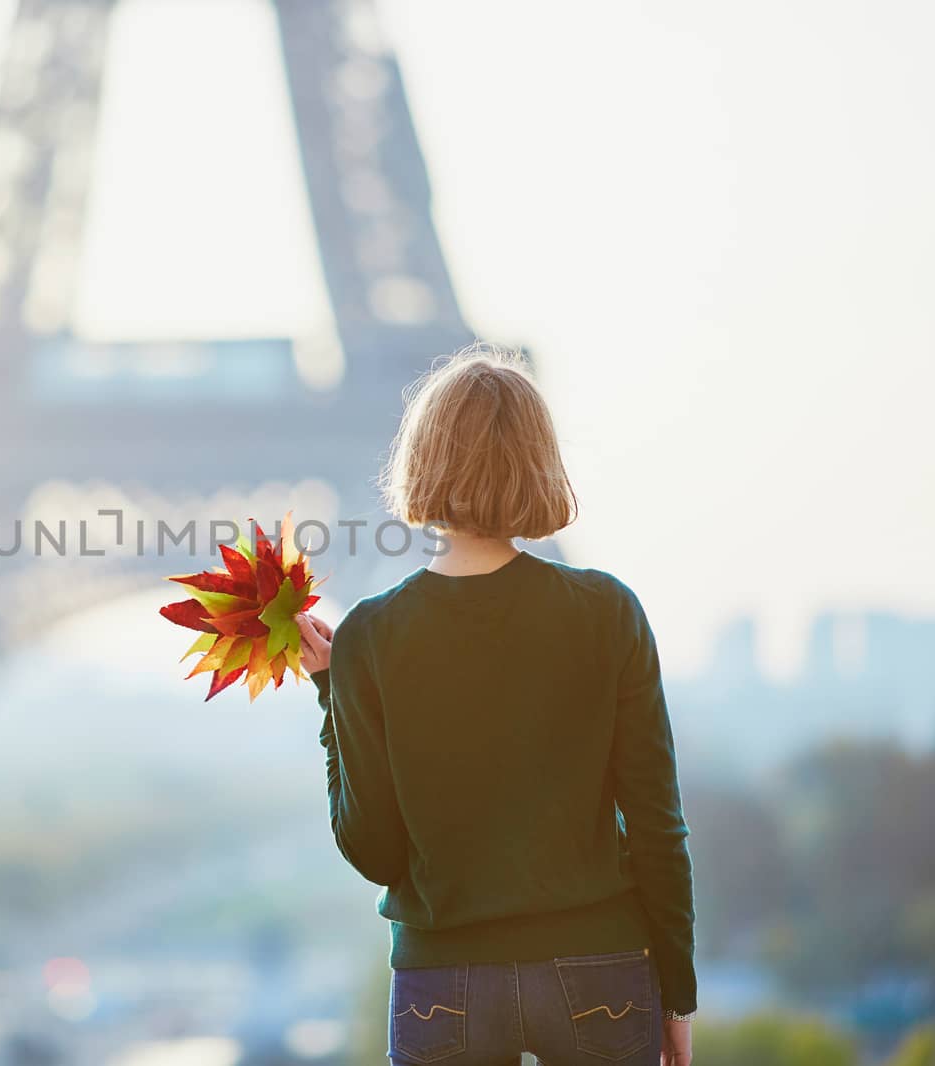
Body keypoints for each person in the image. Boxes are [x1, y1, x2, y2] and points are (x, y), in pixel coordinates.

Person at [295, 346, 695, 1065]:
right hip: (599, 968)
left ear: (424, 461)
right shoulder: (607, 612)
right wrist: (678, 991)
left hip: (441, 981)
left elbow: (376, 852)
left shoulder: (371, 636)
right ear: (538, 463)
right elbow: (658, 826)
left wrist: (335, 693)